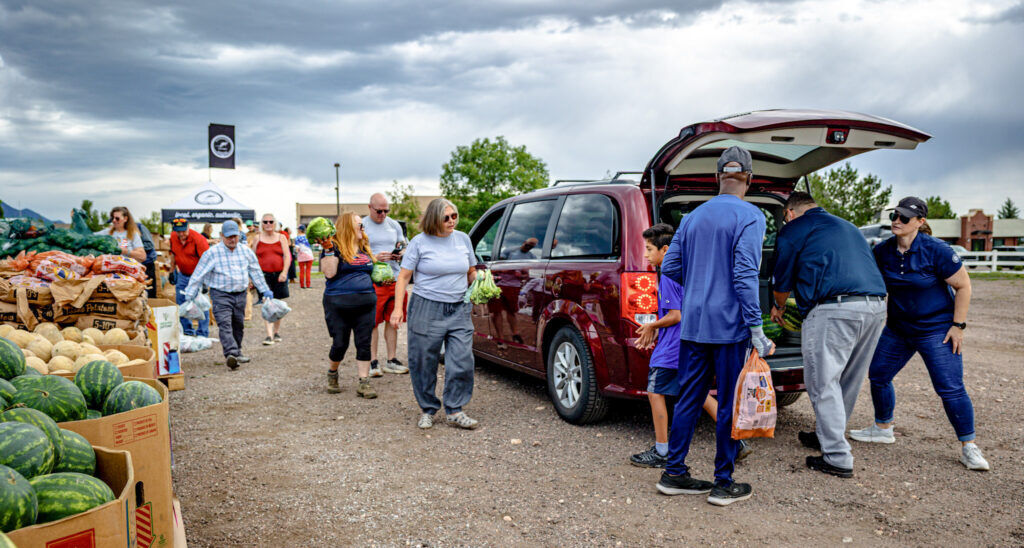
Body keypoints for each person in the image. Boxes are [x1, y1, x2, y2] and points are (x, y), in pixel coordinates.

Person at [657, 146, 773, 506]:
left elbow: (670, 267)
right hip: (729, 329)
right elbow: (744, 274)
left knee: (689, 397)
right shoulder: (752, 216)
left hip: (693, 325)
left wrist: (702, 282)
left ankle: (674, 473)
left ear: (717, 177)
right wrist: (756, 326)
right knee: (727, 403)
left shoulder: (692, 217)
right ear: (750, 180)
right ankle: (723, 482)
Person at [849, 197, 989, 471]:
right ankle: (883, 427)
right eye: (894, 216)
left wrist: (958, 326)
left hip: (936, 330)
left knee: (949, 388)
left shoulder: (936, 250)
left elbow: (964, 286)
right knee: (878, 375)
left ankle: (969, 446)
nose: (896, 221)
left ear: (920, 222)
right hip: (899, 329)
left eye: (904, 217)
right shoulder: (884, 251)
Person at [769, 192, 887, 478]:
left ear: (790, 212)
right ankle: (827, 435)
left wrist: (778, 306)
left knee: (823, 383)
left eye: (785, 216)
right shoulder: (847, 225)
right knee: (847, 379)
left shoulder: (794, 229)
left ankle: (837, 457)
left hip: (834, 310)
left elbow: (782, 280)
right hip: (875, 307)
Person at [630, 224, 753, 468]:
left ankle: (662, 450)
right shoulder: (692, 271)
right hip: (690, 343)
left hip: (669, 351)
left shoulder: (667, 276)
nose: (645, 255)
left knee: (655, 393)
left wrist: (652, 326)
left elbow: (675, 315)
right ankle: (736, 442)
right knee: (699, 394)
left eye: (649, 249)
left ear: (665, 250)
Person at [391, 198, 478, 430]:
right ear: (434, 219)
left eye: (454, 216)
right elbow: (403, 277)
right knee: (423, 361)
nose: (452, 221)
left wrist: (482, 282)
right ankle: (428, 408)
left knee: (462, 359)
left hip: (459, 307)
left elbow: (471, 271)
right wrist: (398, 309)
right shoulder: (419, 242)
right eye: (446, 217)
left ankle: (455, 409)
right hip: (426, 307)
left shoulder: (463, 239)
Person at [184, 220, 273, 370]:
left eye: (235, 236)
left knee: (238, 325)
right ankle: (231, 353)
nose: (232, 239)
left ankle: (237, 352)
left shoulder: (245, 251)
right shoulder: (212, 253)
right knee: (225, 324)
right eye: (228, 236)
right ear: (221, 236)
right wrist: (190, 293)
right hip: (220, 295)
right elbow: (198, 274)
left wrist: (264, 290)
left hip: (240, 294)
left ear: (239, 235)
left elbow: (256, 272)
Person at [318, 213, 379, 398]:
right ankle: (332, 373)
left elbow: (372, 272)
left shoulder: (363, 248)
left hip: (366, 303)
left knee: (364, 343)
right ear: (347, 227)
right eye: (359, 225)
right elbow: (329, 273)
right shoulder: (333, 247)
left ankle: (363, 382)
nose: (363, 228)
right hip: (338, 304)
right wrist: (328, 249)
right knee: (340, 343)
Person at [362, 193, 410, 376]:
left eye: (386, 210)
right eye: (379, 211)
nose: (382, 214)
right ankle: (373, 361)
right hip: (373, 280)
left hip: (394, 278)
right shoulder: (363, 225)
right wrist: (374, 258)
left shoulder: (394, 224)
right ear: (369, 207)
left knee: (393, 320)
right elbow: (354, 252)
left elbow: (405, 244)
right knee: (373, 322)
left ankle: (391, 359)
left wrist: (400, 253)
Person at [249, 213, 292, 346]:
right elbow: (252, 258)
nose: (268, 224)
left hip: (279, 275)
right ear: (261, 224)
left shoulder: (281, 237)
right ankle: (268, 334)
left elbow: (287, 256)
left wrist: (285, 272)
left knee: (277, 304)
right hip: (263, 276)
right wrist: (252, 277)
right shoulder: (257, 238)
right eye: (265, 222)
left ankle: (276, 331)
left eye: (270, 221)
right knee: (266, 303)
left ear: (275, 223)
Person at [169, 218, 211, 337]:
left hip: (198, 276)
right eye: (178, 232)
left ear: (188, 227)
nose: (181, 234)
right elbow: (173, 254)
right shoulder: (173, 237)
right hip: (183, 274)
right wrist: (172, 271)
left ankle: (202, 332)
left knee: (201, 303)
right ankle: (187, 330)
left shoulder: (199, 239)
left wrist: (204, 283)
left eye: (183, 231)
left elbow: (207, 262)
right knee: (181, 302)